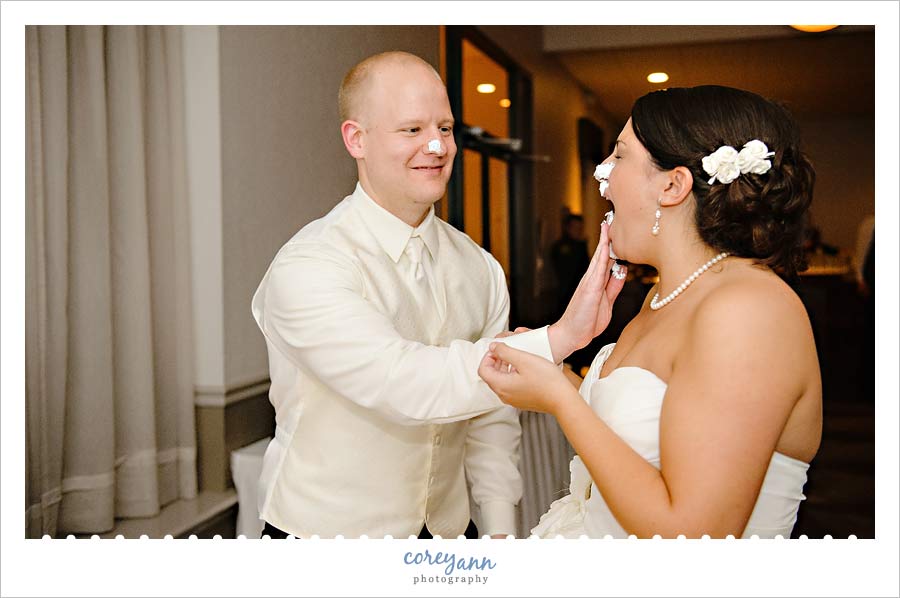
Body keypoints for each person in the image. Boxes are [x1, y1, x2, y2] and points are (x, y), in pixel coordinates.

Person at [479, 85, 823, 539]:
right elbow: (647, 437)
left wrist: (559, 400)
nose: (602, 173)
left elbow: (696, 535)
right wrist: (553, 366)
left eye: (619, 156)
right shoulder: (665, 295)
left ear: (672, 185)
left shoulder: (749, 309)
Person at [250, 51, 559, 539]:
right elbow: (402, 381)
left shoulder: (479, 266)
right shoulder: (309, 263)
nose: (436, 146)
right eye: (411, 130)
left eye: (446, 128)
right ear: (357, 139)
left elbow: (492, 417)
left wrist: (500, 530)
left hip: (449, 537)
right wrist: (557, 339)